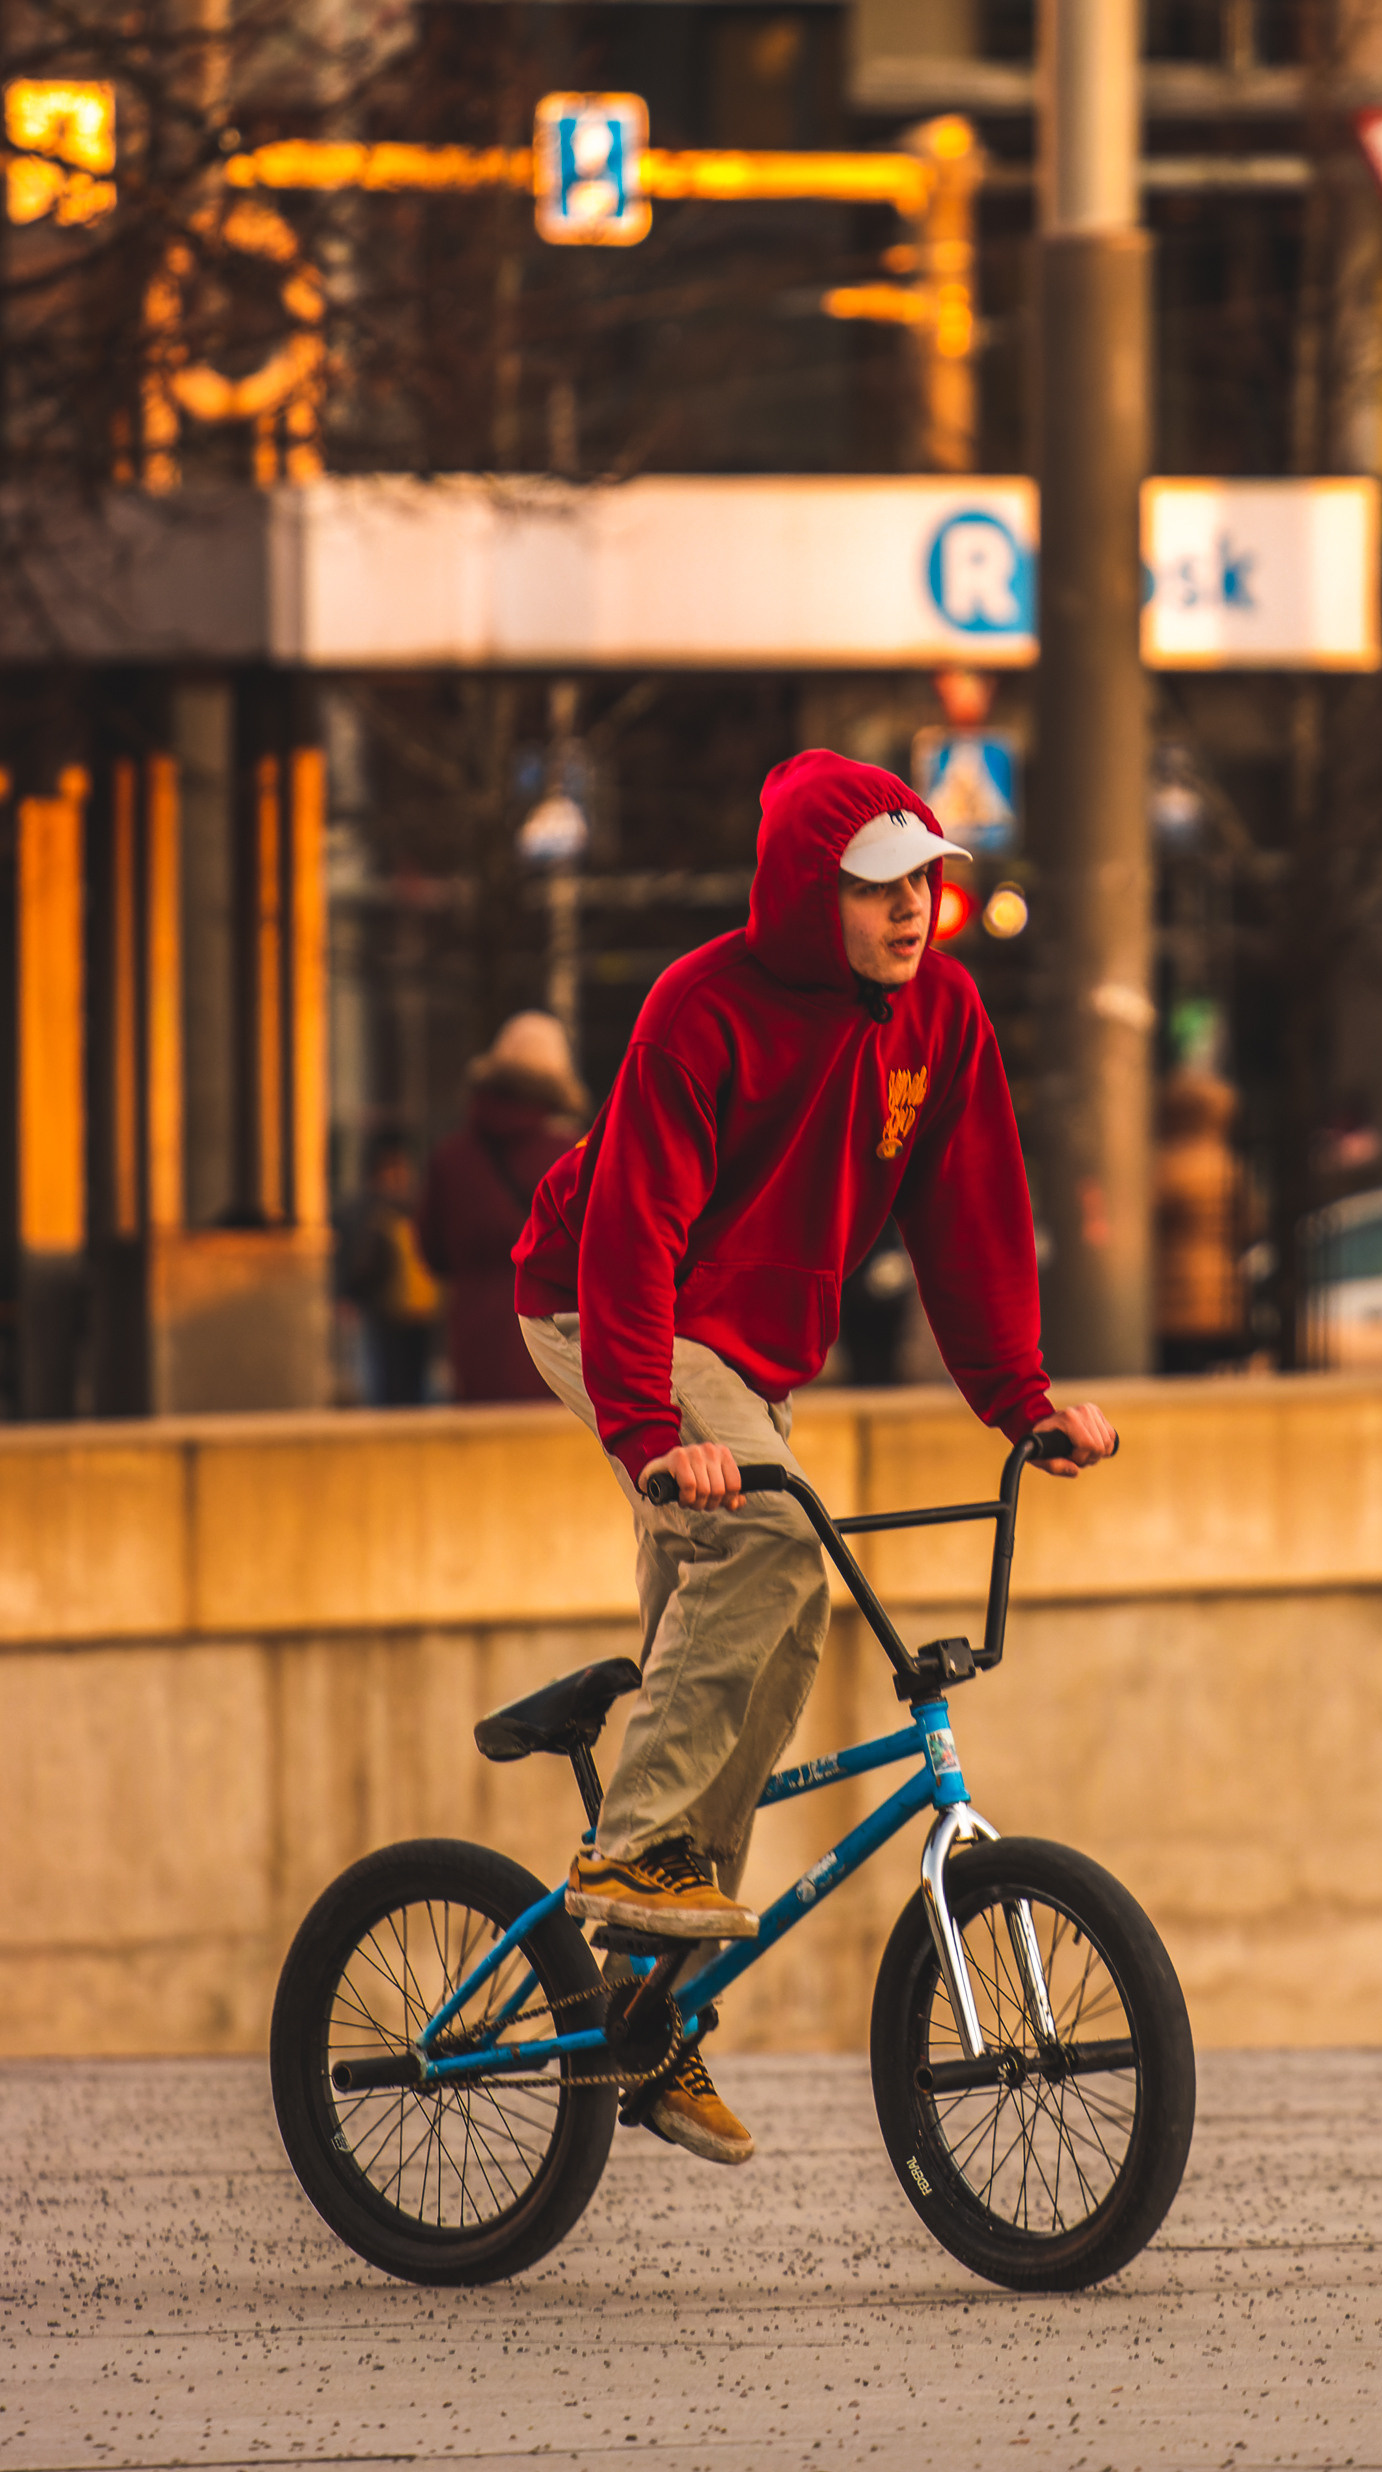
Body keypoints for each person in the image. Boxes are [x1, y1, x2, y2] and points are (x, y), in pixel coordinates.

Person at [512, 750, 1114, 2168]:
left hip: (745, 1358)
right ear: (809, 891)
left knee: (773, 1630)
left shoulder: (941, 1015)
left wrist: (1019, 1397)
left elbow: (970, 1216)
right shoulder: (698, 1009)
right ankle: (631, 1846)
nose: (914, 910)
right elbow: (634, 1230)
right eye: (879, 886)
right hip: (606, 1303)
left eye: (928, 881)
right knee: (776, 1548)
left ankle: (641, 2022)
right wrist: (652, 1436)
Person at [421, 1012, 585, 1405]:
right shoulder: (574, 1157)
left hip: (475, 1345)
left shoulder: (452, 1158)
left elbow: (432, 1250)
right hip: (556, 1349)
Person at [334, 1125, 440, 1408]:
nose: (398, 1176)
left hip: (420, 1309)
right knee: (384, 1381)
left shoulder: (417, 1207)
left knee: (414, 1383)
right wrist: (348, 1295)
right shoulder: (365, 1211)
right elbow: (354, 1258)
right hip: (382, 1308)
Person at [1152, 1069, 1248, 1373]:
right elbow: (1249, 1224)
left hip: (1169, 1296)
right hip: (1220, 1292)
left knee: (1174, 1372)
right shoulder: (1229, 1165)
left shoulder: (1164, 1164)